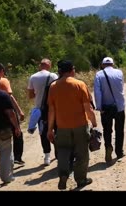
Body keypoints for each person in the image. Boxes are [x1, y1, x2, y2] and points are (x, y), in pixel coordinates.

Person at [47, 60, 97, 190]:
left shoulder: (53, 87)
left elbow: (51, 110)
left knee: (63, 151)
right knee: (82, 153)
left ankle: (63, 174)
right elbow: (88, 108)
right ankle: (81, 179)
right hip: (79, 125)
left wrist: (50, 129)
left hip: (62, 126)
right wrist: (94, 123)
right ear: (71, 70)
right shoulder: (80, 84)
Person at [94, 57, 126, 164]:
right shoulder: (119, 73)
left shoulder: (99, 74)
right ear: (113, 64)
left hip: (106, 108)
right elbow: (121, 88)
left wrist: (99, 107)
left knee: (107, 130)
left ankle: (108, 147)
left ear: (102, 65)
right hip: (119, 106)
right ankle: (119, 152)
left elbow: (97, 92)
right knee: (119, 130)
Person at [27, 58, 59, 166]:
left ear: (40, 66)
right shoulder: (54, 76)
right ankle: (58, 152)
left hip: (41, 109)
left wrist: (39, 93)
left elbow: (31, 95)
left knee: (43, 132)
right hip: (54, 108)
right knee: (57, 129)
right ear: (49, 65)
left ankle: (47, 156)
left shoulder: (33, 77)